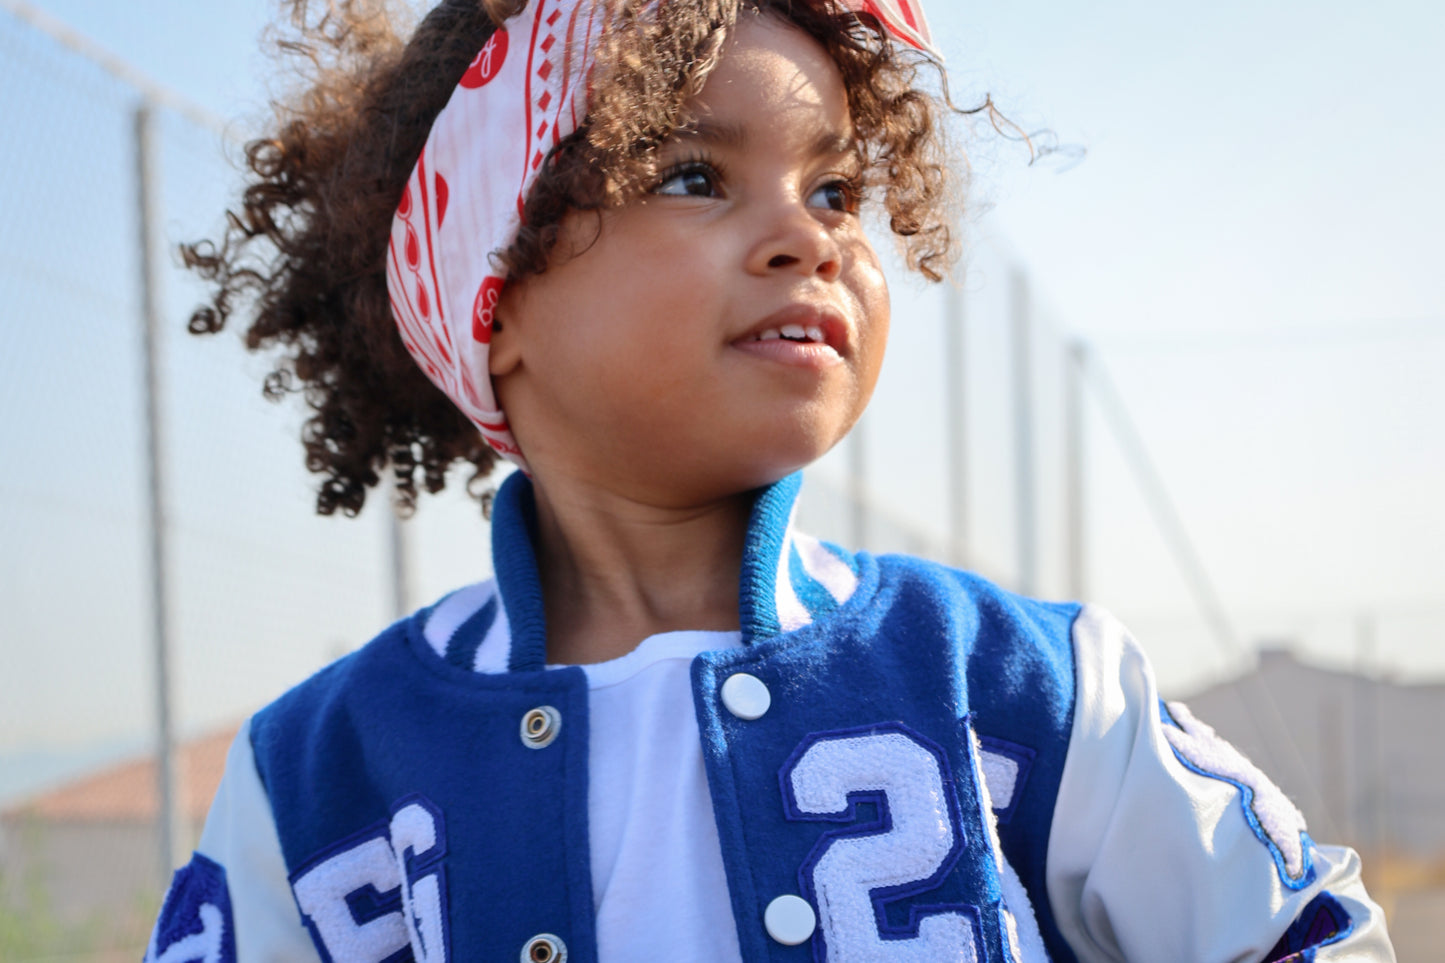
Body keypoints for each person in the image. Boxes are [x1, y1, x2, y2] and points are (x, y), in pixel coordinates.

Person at [147, 0, 1394, 960]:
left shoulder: (1034, 687)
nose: (811, 234)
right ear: (498, 296)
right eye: (694, 175)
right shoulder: (312, 773)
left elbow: (1305, 929)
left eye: (838, 187)